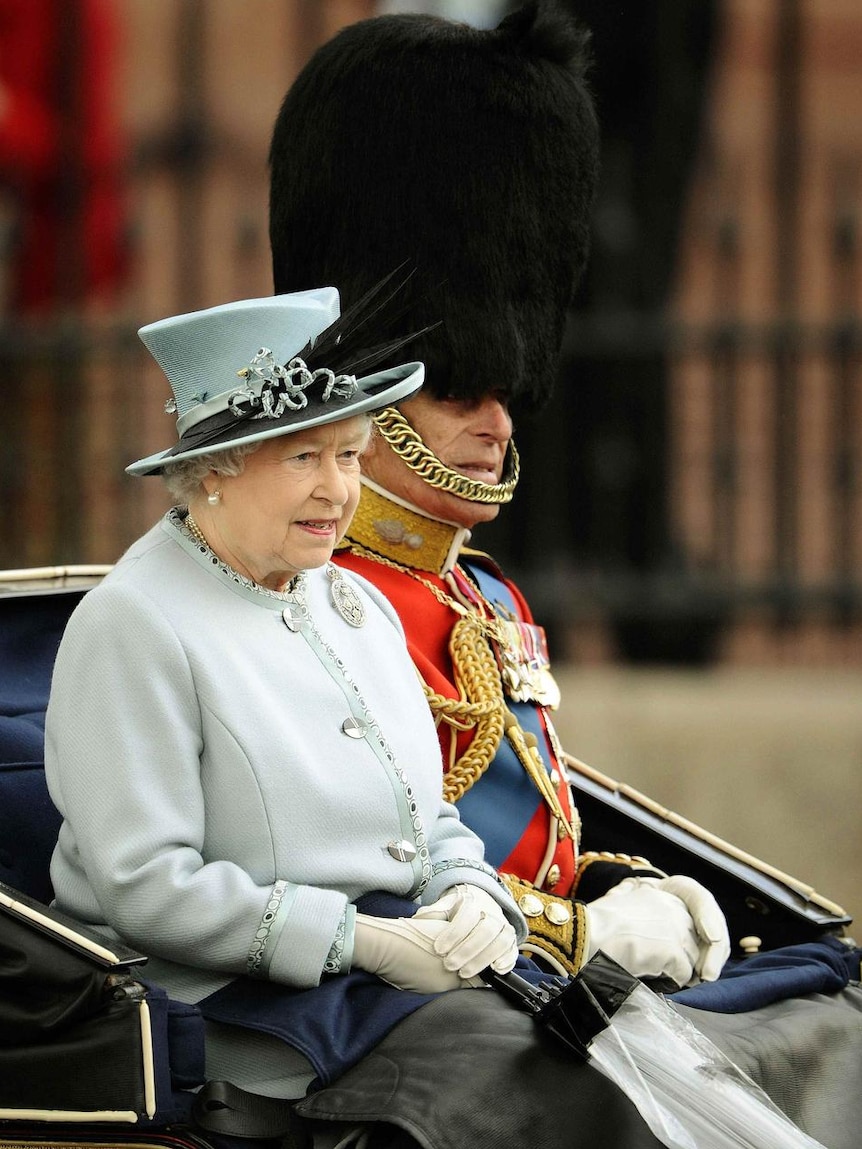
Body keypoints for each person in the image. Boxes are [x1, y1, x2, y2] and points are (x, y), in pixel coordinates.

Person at [267, 0, 730, 988]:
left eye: (504, 390)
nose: (500, 422)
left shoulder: (486, 601)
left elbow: (529, 850)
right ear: (367, 389)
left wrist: (628, 891)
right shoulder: (296, 605)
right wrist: (582, 936)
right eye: (457, 388)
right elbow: (350, 883)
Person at [43, 282, 532, 1104]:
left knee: (581, 1037)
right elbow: (145, 886)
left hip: (394, 973)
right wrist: (358, 941)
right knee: (508, 1071)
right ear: (212, 475)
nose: (338, 491)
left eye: (347, 456)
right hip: (230, 1010)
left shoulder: (353, 601)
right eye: (303, 457)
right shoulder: (131, 623)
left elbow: (426, 814)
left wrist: (469, 890)